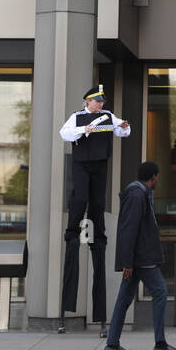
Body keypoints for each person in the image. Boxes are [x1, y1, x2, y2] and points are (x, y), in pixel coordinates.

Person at [58, 85, 131, 324]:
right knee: (79, 198)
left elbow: (122, 131)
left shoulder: (108, 116)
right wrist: (84, 129)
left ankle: (96, 230)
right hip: (81, 164)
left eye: (102, 100)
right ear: (88, 101)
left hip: (99, 164)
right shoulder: (76, 117)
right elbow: (65, 134)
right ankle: (74, 229)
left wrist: (124, 126)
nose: (101, 104)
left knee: (97, 204)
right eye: (97, 100)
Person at [105, 161, 176, 350]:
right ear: (153, 177)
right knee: (160, 292)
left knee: (124, 299)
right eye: (157, 176)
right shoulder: (137, 195)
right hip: (141, 258)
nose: (158, 179)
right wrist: (127, 262)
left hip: (137, 258)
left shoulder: (140, 193)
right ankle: (160, 344)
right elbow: (128, 229)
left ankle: (112, 344)